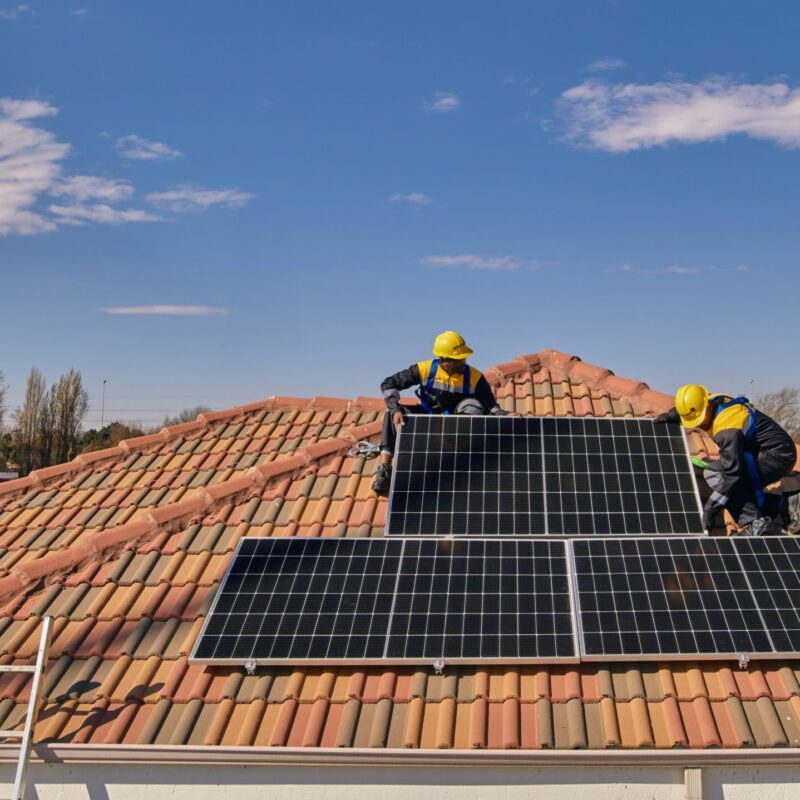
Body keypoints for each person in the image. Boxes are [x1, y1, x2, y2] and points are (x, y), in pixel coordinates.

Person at [372, 331, 506, 494]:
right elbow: (388, 384)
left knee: (474, 405)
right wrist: (395, 408)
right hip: (427, 416)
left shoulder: (475, 377)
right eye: (457, 359)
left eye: (464, 358)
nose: (462, 362)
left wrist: (504, 415)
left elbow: (490, 406)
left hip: (456, 428)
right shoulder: (425, 369)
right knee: (391, 415)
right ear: (444, 359)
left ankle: (460, 463)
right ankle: (385, 469)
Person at [656, 385, 796, 535]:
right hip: (764, 451)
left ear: (708, 407)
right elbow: (692, 407)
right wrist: (676, 414)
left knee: (716, 475)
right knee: (735, 485)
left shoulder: (727, 427)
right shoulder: (711, 400)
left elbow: (731, 473)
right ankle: (782, 506)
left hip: (778, 456)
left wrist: (710, 508)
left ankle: (755, 523)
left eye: (700, 419)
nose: (698, 425)